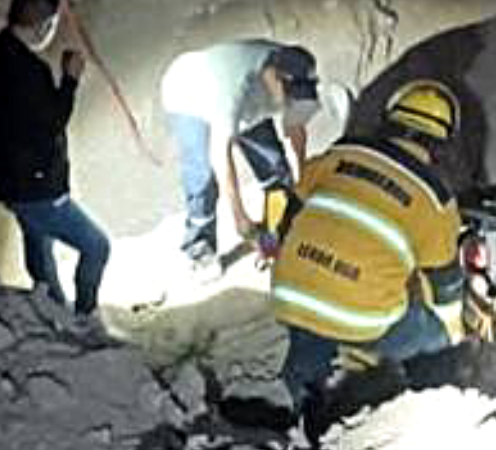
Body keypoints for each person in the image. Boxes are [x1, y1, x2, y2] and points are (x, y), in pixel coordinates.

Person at [269, 80, 470, 413]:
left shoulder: (341, 152)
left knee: (313, 321)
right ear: (442, 143)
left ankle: (301, 386)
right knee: (435, 337)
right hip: (359, 318)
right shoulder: (435, 198)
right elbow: (444, 288)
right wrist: (456, 334)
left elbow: (291, 213)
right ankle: (428, 399)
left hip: (289, 293)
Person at [0, 0, 110, 319]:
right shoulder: (32, 72)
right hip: (35, 184)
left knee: (36, 234)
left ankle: (48, 305)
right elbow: (52, 122)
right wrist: (70, 80)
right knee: (96, 246)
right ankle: (84, 316)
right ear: (45, 26)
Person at [160, 40, 320, 274]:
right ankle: (199, 247)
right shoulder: (231, 86)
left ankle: (273, 237)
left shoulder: (291, 66)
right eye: (289, 96)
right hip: (188, 93)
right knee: (203, 177)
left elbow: (296, 125)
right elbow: (220, 154)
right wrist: (240, 219)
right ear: (274, 78)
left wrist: (304, 177)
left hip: (249, 101)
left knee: (276, 170)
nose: (289, 103)